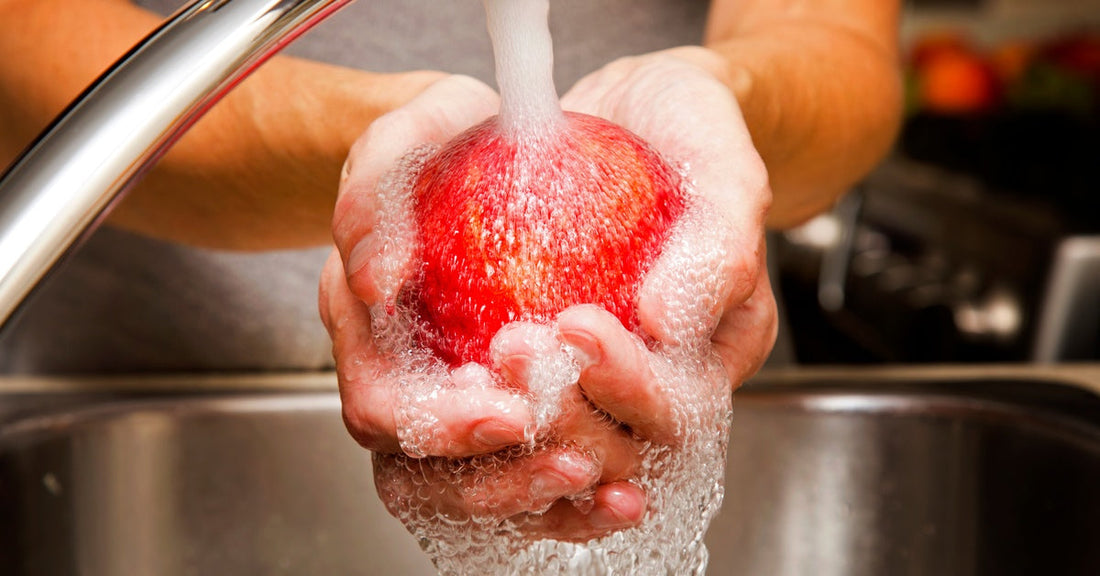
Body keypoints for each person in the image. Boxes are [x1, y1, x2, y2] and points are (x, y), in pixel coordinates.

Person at [0, 0, 902, 541]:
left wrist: (719, 98)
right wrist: (393, 177)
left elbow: (836, 50)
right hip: (138, 426)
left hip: (686, 404)